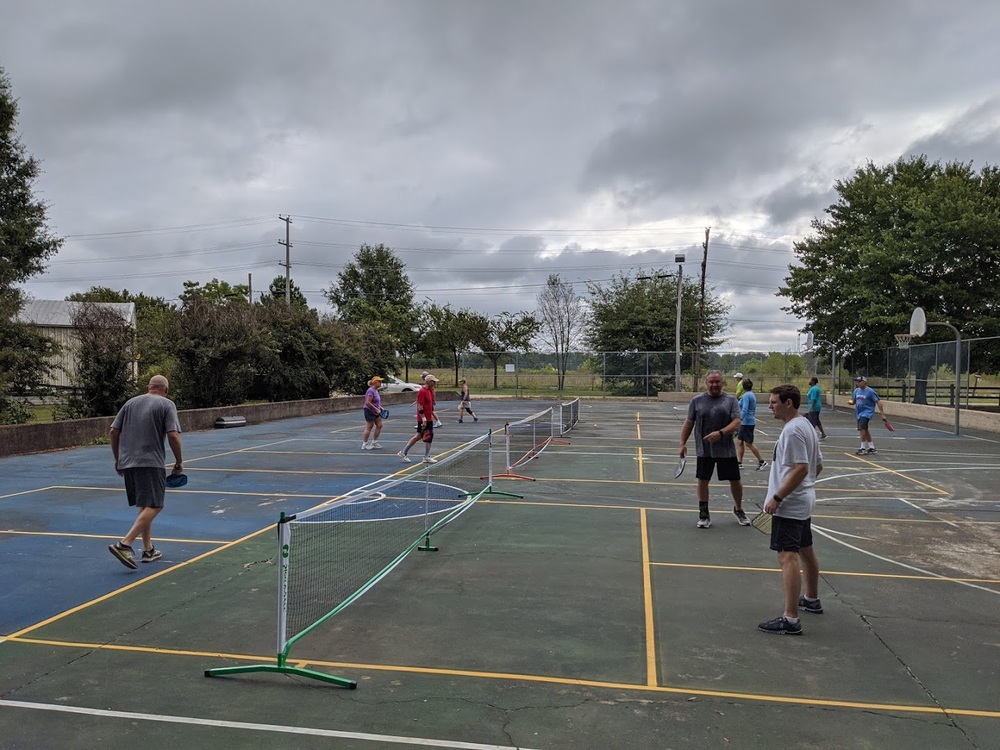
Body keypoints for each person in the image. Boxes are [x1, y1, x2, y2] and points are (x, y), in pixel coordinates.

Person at [758, 384, 824, 635]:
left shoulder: (794, 430)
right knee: (806, 551)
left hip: (790, 505)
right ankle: (811, 599)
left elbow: (801, 468)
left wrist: (778, 496)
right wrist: (804, 489)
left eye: (774, 402)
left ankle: (791, 619)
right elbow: (817, 466)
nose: (770, 406)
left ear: (788, 403)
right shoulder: (806, 425)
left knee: (787, 557)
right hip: (802, 502)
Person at [108, 375, 183, 569]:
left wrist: (118, 459)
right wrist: (179, 462)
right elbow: (173, 435)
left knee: (145, 505)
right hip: (151, 462)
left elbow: (113, 431)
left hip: (129, 462)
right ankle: (125, 543)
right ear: (166, 390)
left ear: (148, 387)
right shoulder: (167, 404)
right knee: (156, 505)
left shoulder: (130, 403)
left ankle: (148, 549)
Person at [679, 369, 750, 528]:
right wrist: (682, 443)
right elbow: (689, 422)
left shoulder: (730, 401)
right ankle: (704, 514)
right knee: (703, 481)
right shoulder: (696, 401)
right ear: (706, 383)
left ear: (722, 383)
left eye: (717, 381)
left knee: (735, 481)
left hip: (726, 450)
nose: (714, 385)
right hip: (704, 450)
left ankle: (738, 509)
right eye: (711, 382)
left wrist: (720, 433)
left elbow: (737, 422)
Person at [399, 374, 439, 463]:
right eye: (433, 381)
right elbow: (420, 406)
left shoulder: (429, 390)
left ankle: (404, 452)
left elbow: (429, 404)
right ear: (429, 382)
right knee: (429, 435)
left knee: (418, 436)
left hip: (429, 418)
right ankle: (426, 456)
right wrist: (423, 418)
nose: (435, 383)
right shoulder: (422, 391)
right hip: (424, 419)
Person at [736, 379, 768, 471]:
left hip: (747, 422)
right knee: (740, 441)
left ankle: (762, 461)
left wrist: (739, 419)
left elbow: (745, 409)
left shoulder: (746, 396)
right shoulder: (750, 394)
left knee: (748, 443)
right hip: (745, 422)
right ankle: (739, 463)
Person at [849, 375, 887, 455]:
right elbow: (854, 401)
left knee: (862, 427)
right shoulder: (856, 391)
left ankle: (862, 448)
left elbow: (878, 402)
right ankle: (872, 447)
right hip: (859, 413)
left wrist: (882, 414)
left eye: (859, 381)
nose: (857, 383)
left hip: (867, 413)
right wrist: (851, 402)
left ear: (864, 382)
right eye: (857, 381)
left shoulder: (870, 391)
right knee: (865, 429)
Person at [362, 376, 385, 450]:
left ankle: (374, 442)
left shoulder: (375, 390)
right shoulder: (370, 391)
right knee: (370, 426)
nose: (380, 383)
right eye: (379, 382)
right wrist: (376, 409)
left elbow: (375, 402)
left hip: (375, 410)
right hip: (369, 410)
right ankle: (364, 444)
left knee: (380, 424)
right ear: (375, 382)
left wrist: (380, 407)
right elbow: (368, 402)